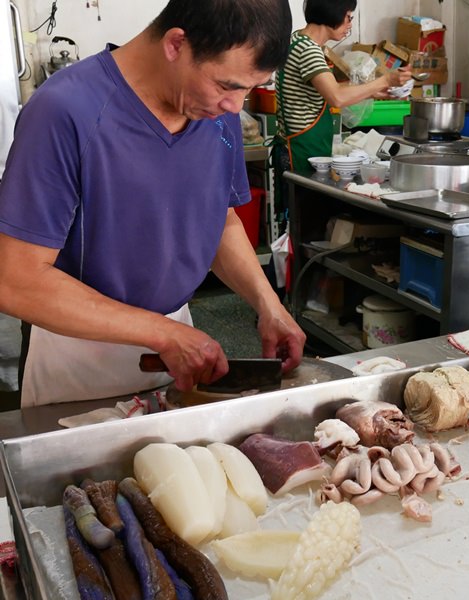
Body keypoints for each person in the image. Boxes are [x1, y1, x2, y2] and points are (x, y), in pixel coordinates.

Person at [0, 0, 307, 407]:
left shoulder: (216, 112)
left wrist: (268, 304)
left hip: (183, 346)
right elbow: (16, 280)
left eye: (249, 88)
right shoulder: (65, 110)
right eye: (227, 85)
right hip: (79, 357)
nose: (236, 106)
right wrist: (161, 333)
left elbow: (219, 220)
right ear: (176, 44)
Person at [273, 0, 412, 176]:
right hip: (300, 152)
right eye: (348, 17)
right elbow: (336, 97)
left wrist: (373, 92)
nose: (349, 25)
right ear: (332, 12)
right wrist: (386, 80)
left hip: (295, 148)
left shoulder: (298, 39)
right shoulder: (309, 50)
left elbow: (329, 88)